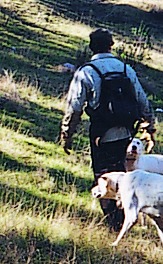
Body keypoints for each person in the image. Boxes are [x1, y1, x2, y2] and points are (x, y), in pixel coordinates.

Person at [60, 28, 156, 231]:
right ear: (111, 45)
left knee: (105, 178)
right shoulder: (125, 69)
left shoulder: (86, 71)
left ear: (91, 47)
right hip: (128, 135)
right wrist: (149, 127)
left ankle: (114, 226)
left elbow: (74, 108)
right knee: (126, 177)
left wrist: (67, 135)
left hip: (102, 136)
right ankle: (127, 221)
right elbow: (143, 102)